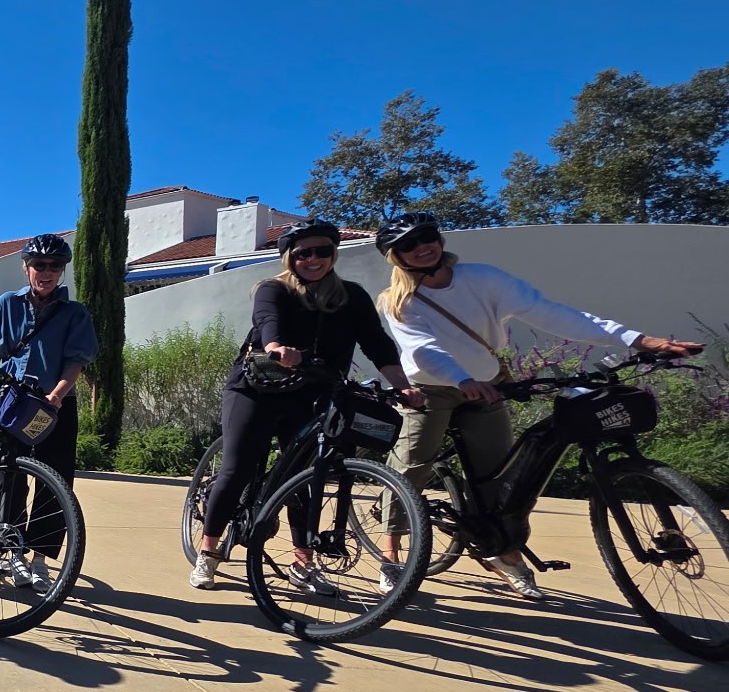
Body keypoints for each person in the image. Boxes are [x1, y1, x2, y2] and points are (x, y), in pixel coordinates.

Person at [372, 212, 702, 600]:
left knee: (501, 475)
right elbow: (423, 351)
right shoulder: (399, 301)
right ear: (397, 257)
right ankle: (391, 552)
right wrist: (462, 379)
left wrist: (637, 340)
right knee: (412, 464)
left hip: (489, 384)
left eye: (425, 237)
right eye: (407, 245)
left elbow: (550, 313)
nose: (421, 248)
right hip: (435, 387)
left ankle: (502, 551)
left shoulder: (483, 278)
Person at [188, 219, 423, 592]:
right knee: (237, 468)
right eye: (303, 253)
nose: (313, 259)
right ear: (289, 258)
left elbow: (377, 345)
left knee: (305, 480)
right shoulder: (273, 289)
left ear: (334, 254)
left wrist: (404, 388)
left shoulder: (352, 296)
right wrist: (276, 347)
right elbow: (268, 323)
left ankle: (303, 563)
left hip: (312, 394)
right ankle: (209, 552)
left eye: (322, 251)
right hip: (257, 389)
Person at [0, 233, 99, 587]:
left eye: (54, 266)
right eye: (39, 265)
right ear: (26, 267)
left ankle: (40, 559)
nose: (46, 272)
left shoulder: (75, 313)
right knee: (5, 477)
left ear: (61, 271)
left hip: (53, 407)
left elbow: (76, 361)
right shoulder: (7, 305)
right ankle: (14, 552)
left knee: (54, 483)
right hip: (13, 403)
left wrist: (56, 395)